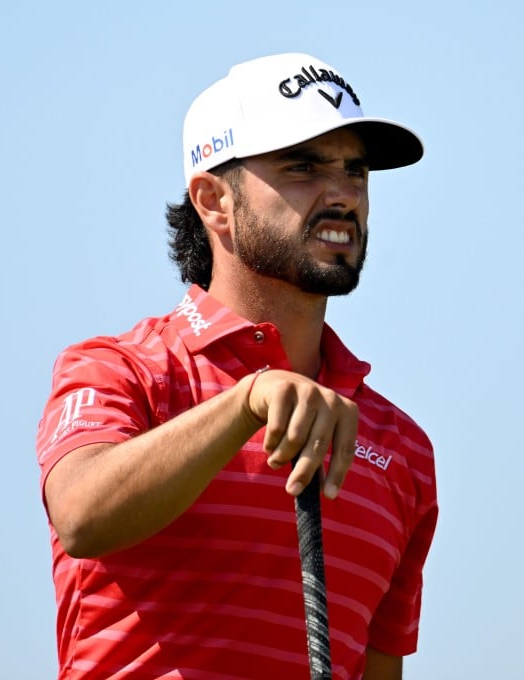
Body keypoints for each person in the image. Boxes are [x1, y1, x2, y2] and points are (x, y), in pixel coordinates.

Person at [36, 52, 438, 679]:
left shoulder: (401, 448)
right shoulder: (121, 371)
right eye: (302, 166)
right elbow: (82, 515)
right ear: (214, 201)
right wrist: (248, 399)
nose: (343, 195)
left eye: (355, 171)